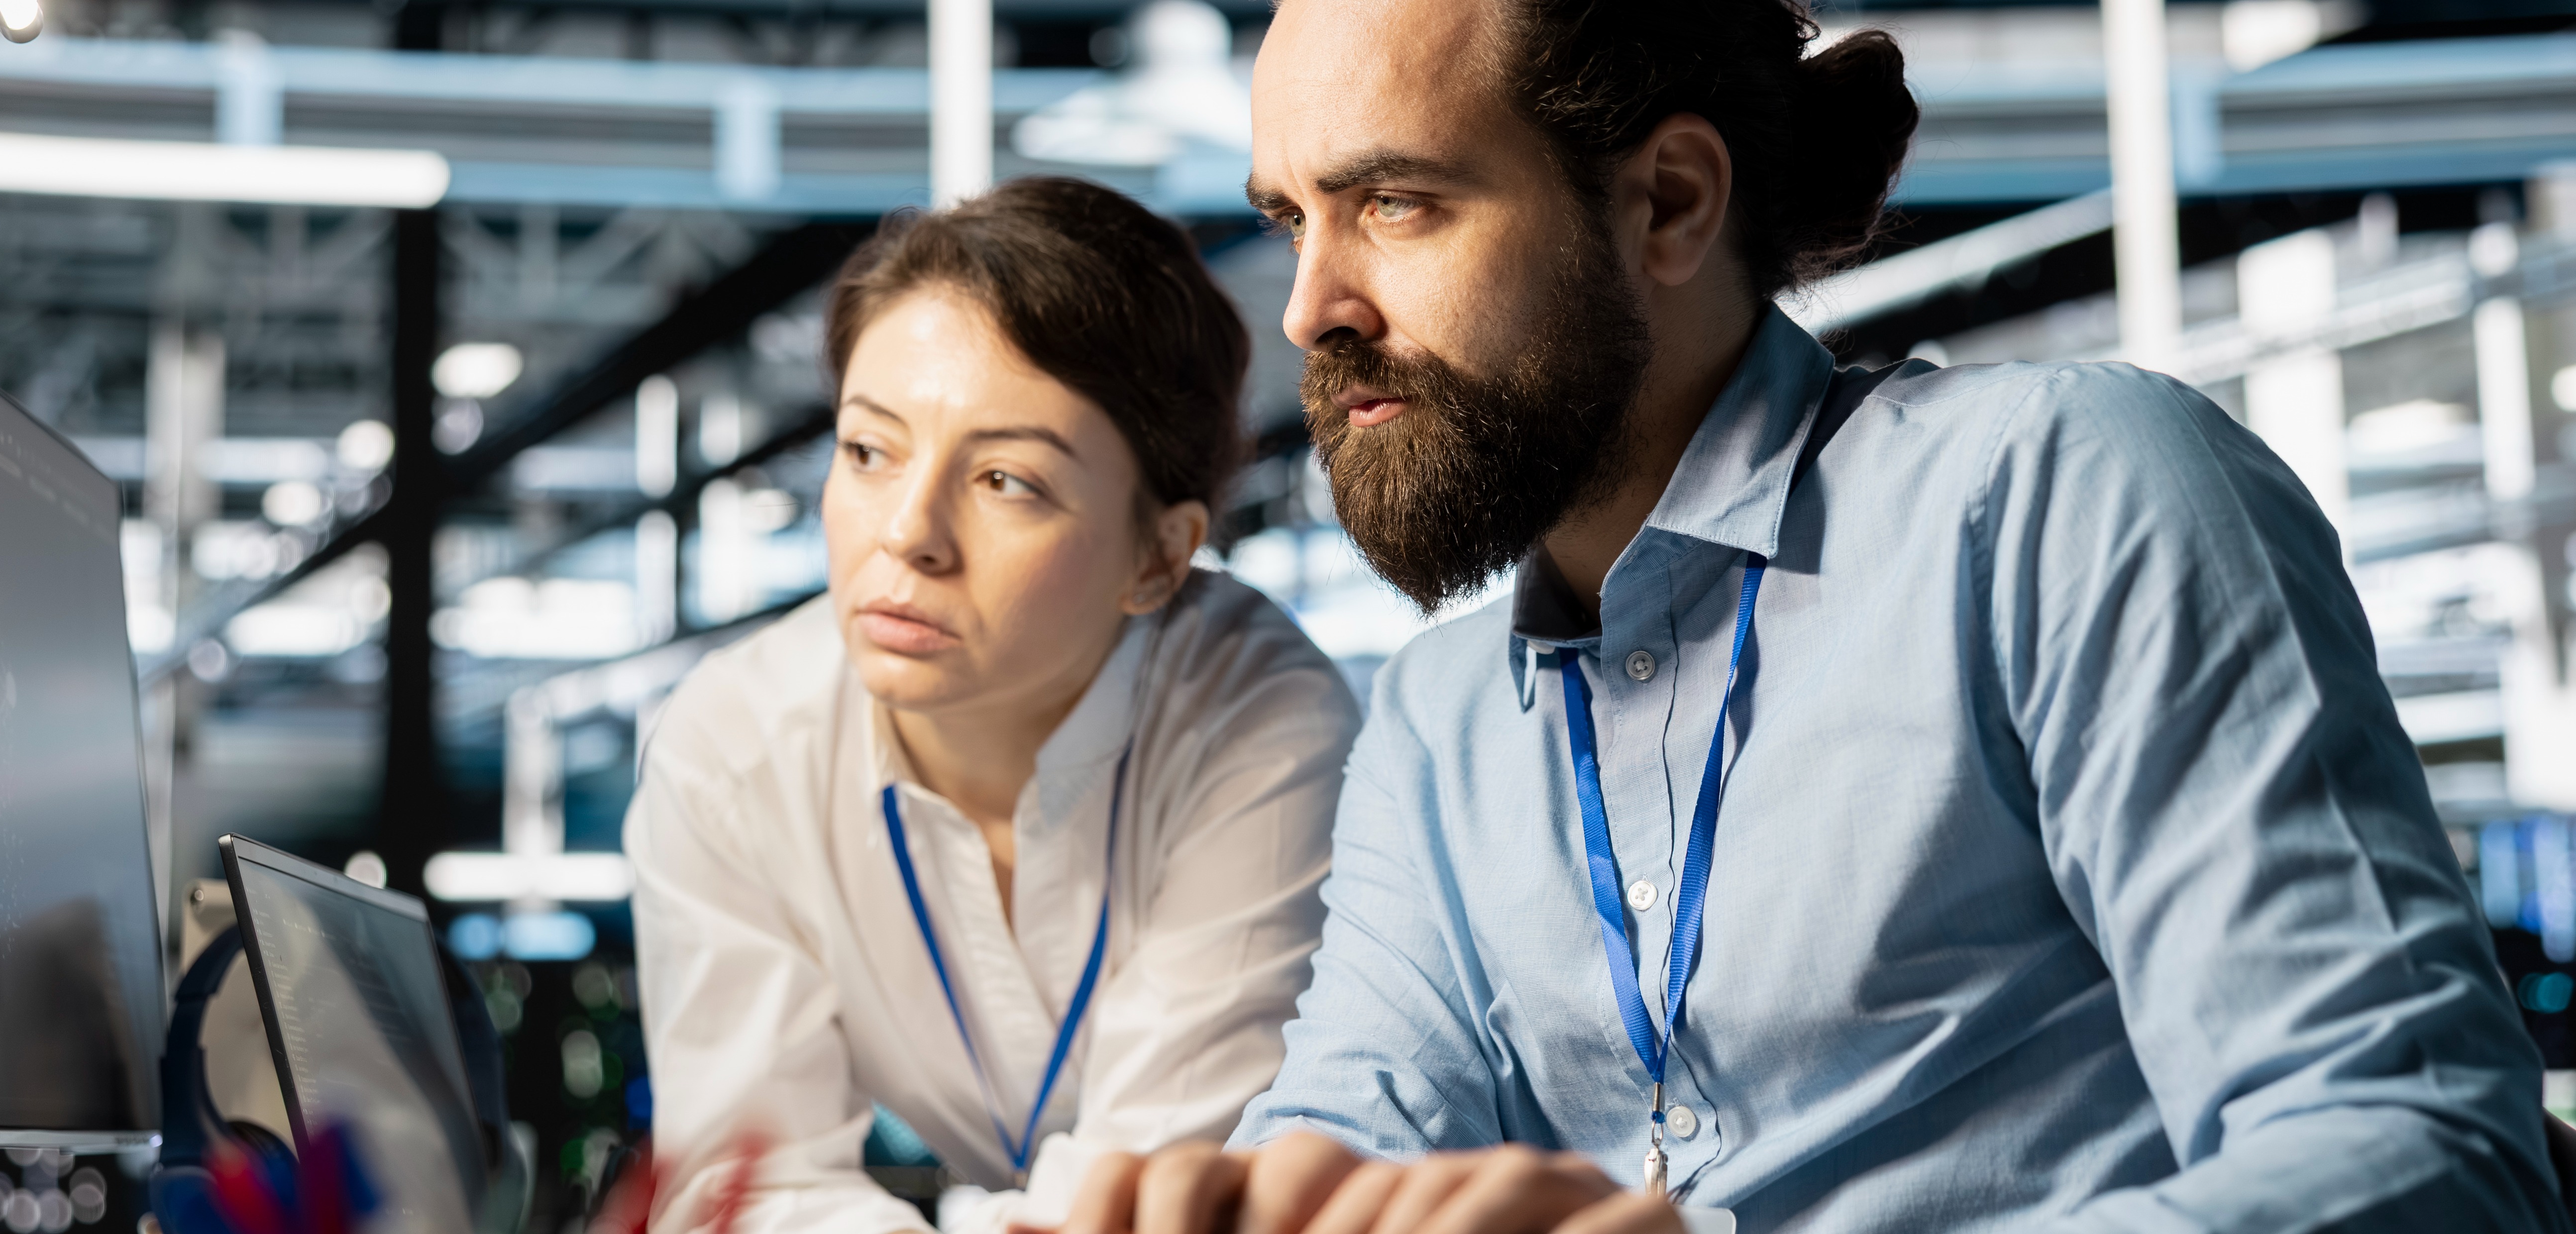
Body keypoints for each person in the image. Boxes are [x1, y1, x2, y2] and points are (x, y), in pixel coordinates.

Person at [1049, 0, 2568, 1232]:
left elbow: (2425, 1157)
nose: (1310, 306)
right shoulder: (1446, 722)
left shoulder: (2058, 496)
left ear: (1670, 203)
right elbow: (1350, 1132)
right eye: (1287, 217)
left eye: (1394, 202)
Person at [625, 177, 1363, 1234]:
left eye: (1007, 480)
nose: (909, 533)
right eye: (869, 451)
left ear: (1158, 557)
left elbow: (1155, 1194)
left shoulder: (1262, 724)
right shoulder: (732, 750)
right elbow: (743, 1191)